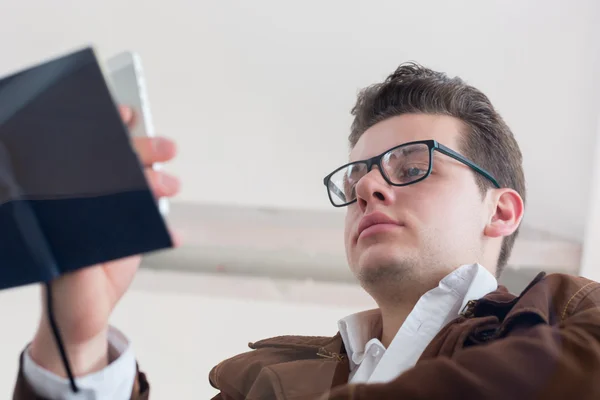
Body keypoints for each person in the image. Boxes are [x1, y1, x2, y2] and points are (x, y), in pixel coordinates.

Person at [12, 63, 600, 400]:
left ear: (500, 210)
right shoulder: (261, 383)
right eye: (359, 175)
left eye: (411, 164)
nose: (369, 187)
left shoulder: (571, 319)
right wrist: (77, 342)